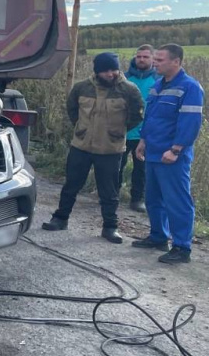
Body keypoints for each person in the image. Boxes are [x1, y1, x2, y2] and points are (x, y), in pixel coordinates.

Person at [42, 52, 143, 243]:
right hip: (81, 146)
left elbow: (136, 116)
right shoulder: (81, 87)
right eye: (106, 70)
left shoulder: (129, 90)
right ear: (97, 71)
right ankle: (60, 219)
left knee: (109, 191)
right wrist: (82, 129)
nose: (111, 74)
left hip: (110, 149)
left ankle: (110, 227)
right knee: (71, 185)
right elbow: (72, 110)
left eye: (114, 69)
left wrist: (116, 132)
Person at [133, 43, 204, 264]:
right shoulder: (157, 86)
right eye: (155, 59)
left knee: (177, 201)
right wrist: (143, 140)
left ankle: (182, 247)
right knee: (153, 199)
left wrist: (176, 149)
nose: (155, 63)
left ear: (176, 61)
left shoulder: (189, 87)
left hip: (172, 156)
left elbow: (190, 122)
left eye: (160, 60)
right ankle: (158, 237)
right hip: (153, 151)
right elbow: (151, 117)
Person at [118, 44, 158, 212]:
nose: (141, 59)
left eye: (145, 57)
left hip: (145, 133)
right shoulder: (124, 78)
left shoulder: (158, 81)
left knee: (141, 170)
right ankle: (111, 196)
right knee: (116, 166)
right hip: (123, 130)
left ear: (153, 59)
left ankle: (137, 199)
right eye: (139, 56)